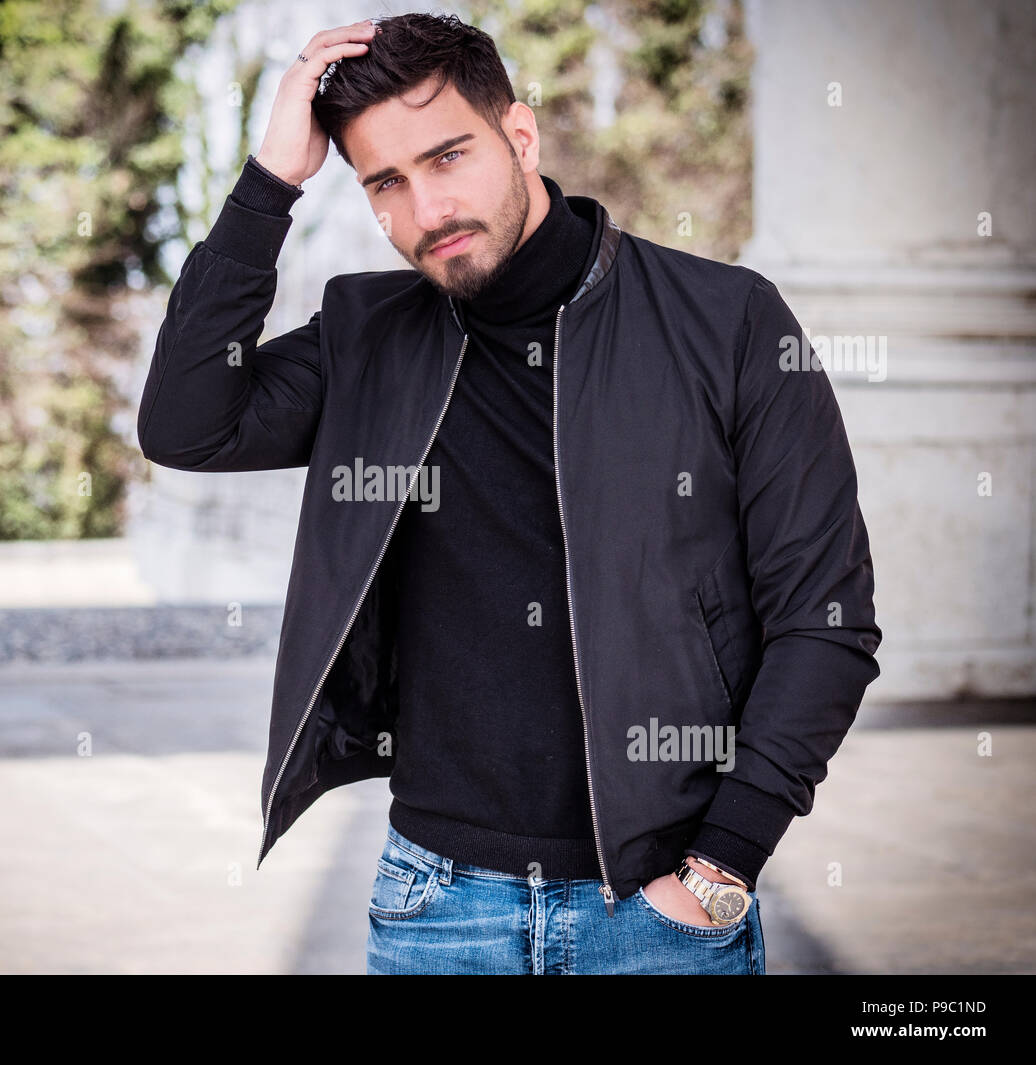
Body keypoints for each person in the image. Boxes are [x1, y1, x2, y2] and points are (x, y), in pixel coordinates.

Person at [137, 12, 881, 975]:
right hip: (435, 904)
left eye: (448, 157)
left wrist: (717, 868)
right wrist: (270, 181)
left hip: (658, 913)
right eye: (387, 183)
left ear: (519, 136)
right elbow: (188, 423)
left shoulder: (727, 321)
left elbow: (826, 622)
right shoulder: (368, 336)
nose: (427, 208)